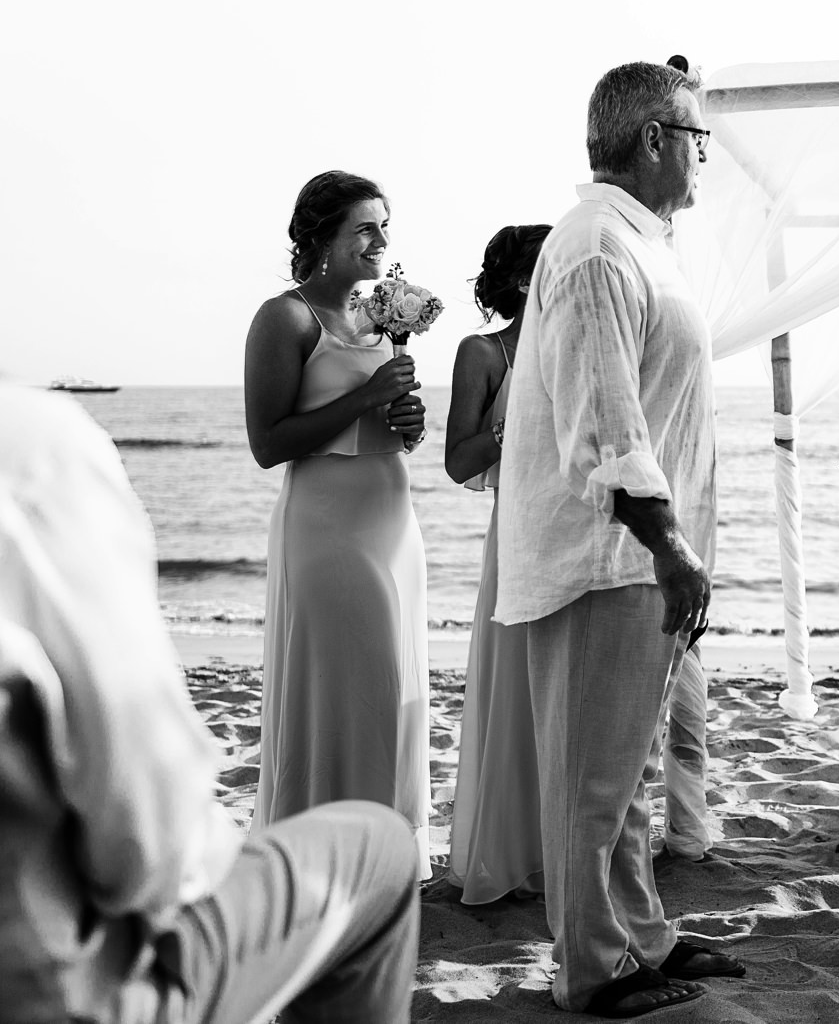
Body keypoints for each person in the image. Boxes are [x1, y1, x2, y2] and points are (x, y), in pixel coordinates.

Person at [0, 380, 419, 1024]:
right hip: (53, 992)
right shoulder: (32, 449)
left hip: (378, 515)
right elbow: (149, 839)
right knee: (384, 851)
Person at [495, 60, 742, 1017]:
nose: (702, 158)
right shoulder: (600, 245)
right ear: (652, 141)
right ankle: (592, 970)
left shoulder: (641, 241)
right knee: (593, 782)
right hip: (610, 558)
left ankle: (642, 937)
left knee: (630, 772)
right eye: (696, 138)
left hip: (639, 556)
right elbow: (609, 425)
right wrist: (670, 547)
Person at [244, 170, 432, 870]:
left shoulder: (380, 315)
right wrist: (365, 400)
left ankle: (382, 854)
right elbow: (268, 443)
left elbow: (391, 424)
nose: (382, 240)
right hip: (325, 531)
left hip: (393, 524)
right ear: (323, 236)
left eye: (385, 225)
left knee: (390, 688)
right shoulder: (285, 318)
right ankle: (317, 855)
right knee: (334, 690)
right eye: (366, 227)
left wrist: (406, 420)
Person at [445, 223, 551, 904]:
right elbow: (458, 461)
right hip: (518, 535)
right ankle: (512, 851)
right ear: (520, 280)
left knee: (562, 695)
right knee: (514, 688)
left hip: (580, 531)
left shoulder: (584, 335)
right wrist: (516, 425)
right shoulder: (483, 352)